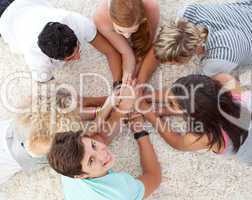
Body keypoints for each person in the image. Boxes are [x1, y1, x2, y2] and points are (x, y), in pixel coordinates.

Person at [138, 73, 252, 165]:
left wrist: (150, 115)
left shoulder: (206, 136)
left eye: (172, 104)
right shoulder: (224, 80)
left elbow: (177, 142)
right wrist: (145, 96)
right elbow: (181, 94)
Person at [0, 0, 121, 82]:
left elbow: (110, 52)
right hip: (3, 18)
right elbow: (53, 95)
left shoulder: (77, 22)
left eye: (78, 48)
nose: (78, 58)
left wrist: (117, 84)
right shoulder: (36, 60)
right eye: (70, 58)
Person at [47, 117, 161, 200]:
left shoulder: (65, 166)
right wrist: (139, 131)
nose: (103, 154)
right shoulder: (121, 191)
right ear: (81, 176)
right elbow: (154, 177)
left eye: (93, 145)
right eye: (91, 160)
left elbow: (97, 137)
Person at [154, 0, 252, 76]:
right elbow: (163, 46)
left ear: (185, 58)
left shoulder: (220, 58)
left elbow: (194, 88)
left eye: (172, 64)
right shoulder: (191, 11)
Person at [94, 0, 160, 88]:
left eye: (133, 30)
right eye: (120, 31)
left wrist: (134, 76)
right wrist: (127, 74)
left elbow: (147, 46)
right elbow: (126, 52)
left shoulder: (151, 6)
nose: (126, 36)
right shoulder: (100, 17)